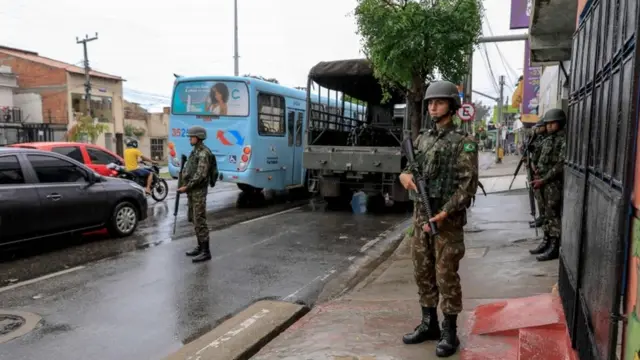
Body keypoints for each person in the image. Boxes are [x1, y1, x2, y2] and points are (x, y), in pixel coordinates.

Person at [398, 80, 479, 358]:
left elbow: (467, 186)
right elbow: (408, 170)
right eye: (430, 103)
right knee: (423, 273)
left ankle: (450, 331)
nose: (433, 107)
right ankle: (429, 323)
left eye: (439, 102)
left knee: (446, 277)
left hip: (447, 222)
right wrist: (405, 177)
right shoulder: (422, 139)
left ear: (451, 107)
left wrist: (445, 212)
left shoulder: (464, 143)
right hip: (421, 217)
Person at [530, 108, 566, 261]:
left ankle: (554, 246)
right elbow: (543, 159)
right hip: (542, 181)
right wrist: (537, 169)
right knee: (545, 214)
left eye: (553, 123)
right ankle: (546, 241)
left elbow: (560, 164)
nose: (549, 126)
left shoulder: (563, 139)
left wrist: (544, 179)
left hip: (553, 183)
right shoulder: (547, 139)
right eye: (548, 123)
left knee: (553, 214)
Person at [179, 125, 214, 263]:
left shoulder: (204, 153)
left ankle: (206, 251)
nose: (189, 139)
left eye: (191, 137)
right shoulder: (195, 151)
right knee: (194, 219)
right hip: (193, 190)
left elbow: (200, 175)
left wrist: (187, 187)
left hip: (198, 191)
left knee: (200, 219)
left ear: (198, 137)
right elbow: (190, 168)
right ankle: (200, 247)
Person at [527, 119, 547, 231]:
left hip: (542, 172)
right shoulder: (537, 138)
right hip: (535, 170)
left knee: (542, 197)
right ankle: (541, 216)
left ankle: (543, 217)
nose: (537, 129)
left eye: (539, 127)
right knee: (538, 195)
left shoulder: (545, 140)